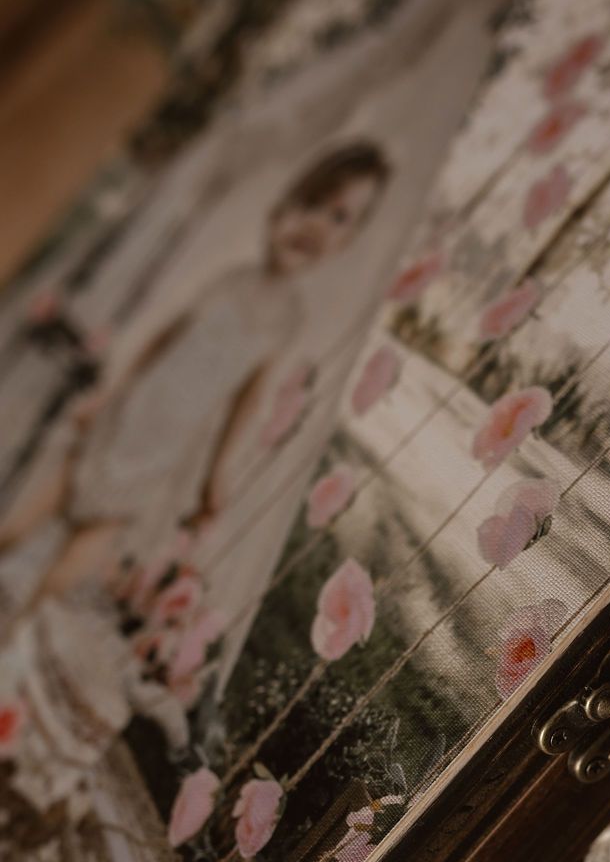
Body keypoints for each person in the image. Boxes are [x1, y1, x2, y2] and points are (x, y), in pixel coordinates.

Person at [0, 143, 390, 611]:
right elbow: (160, 341)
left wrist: (215, 473)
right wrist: (107, 395)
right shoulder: (231, 279)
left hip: (160, 454)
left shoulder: (287, 318)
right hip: (122, 422)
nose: (315, 224)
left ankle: (13, 637)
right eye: (308, 204)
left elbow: (246, 400)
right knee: (17, 528)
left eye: (339, 217)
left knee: (63, 576)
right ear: (279, 211)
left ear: (349, 240)